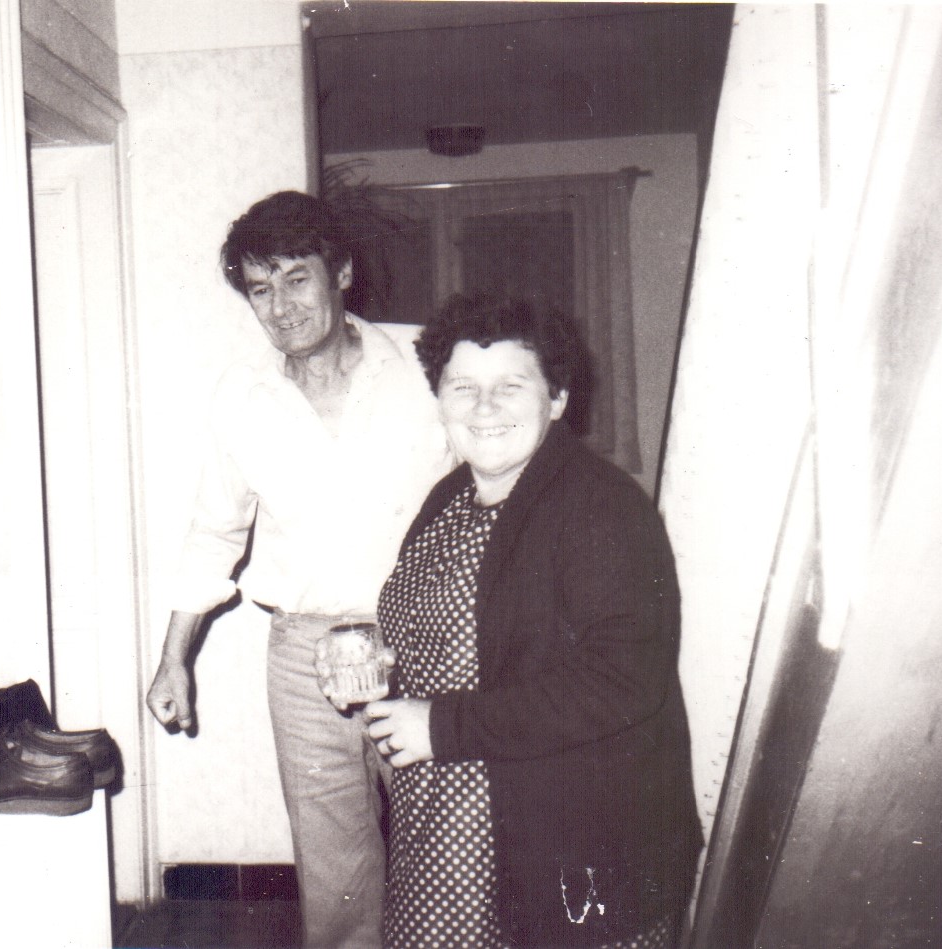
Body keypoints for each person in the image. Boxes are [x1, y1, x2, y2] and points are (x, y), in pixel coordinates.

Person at [145, 190, 453, 949]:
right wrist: (173, 658)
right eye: (260, 288)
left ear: (340, 272)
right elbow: (214, 530)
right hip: (304, 650)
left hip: (426, 638)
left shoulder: (426, 362)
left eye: (295, 278)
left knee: (445, 838)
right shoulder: (242, 395)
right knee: (332, 858)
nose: (279, 306)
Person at [360, 292, 702, 948]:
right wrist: (374, 657)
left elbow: (623, 681)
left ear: (558, 398)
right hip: (440, 823)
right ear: (440, 398)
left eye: (510, 386)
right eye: (463, 386)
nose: (484, 407)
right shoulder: (449, 497)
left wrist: (442, 726)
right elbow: (458, 639)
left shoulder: (602, 507)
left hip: (561, 837)